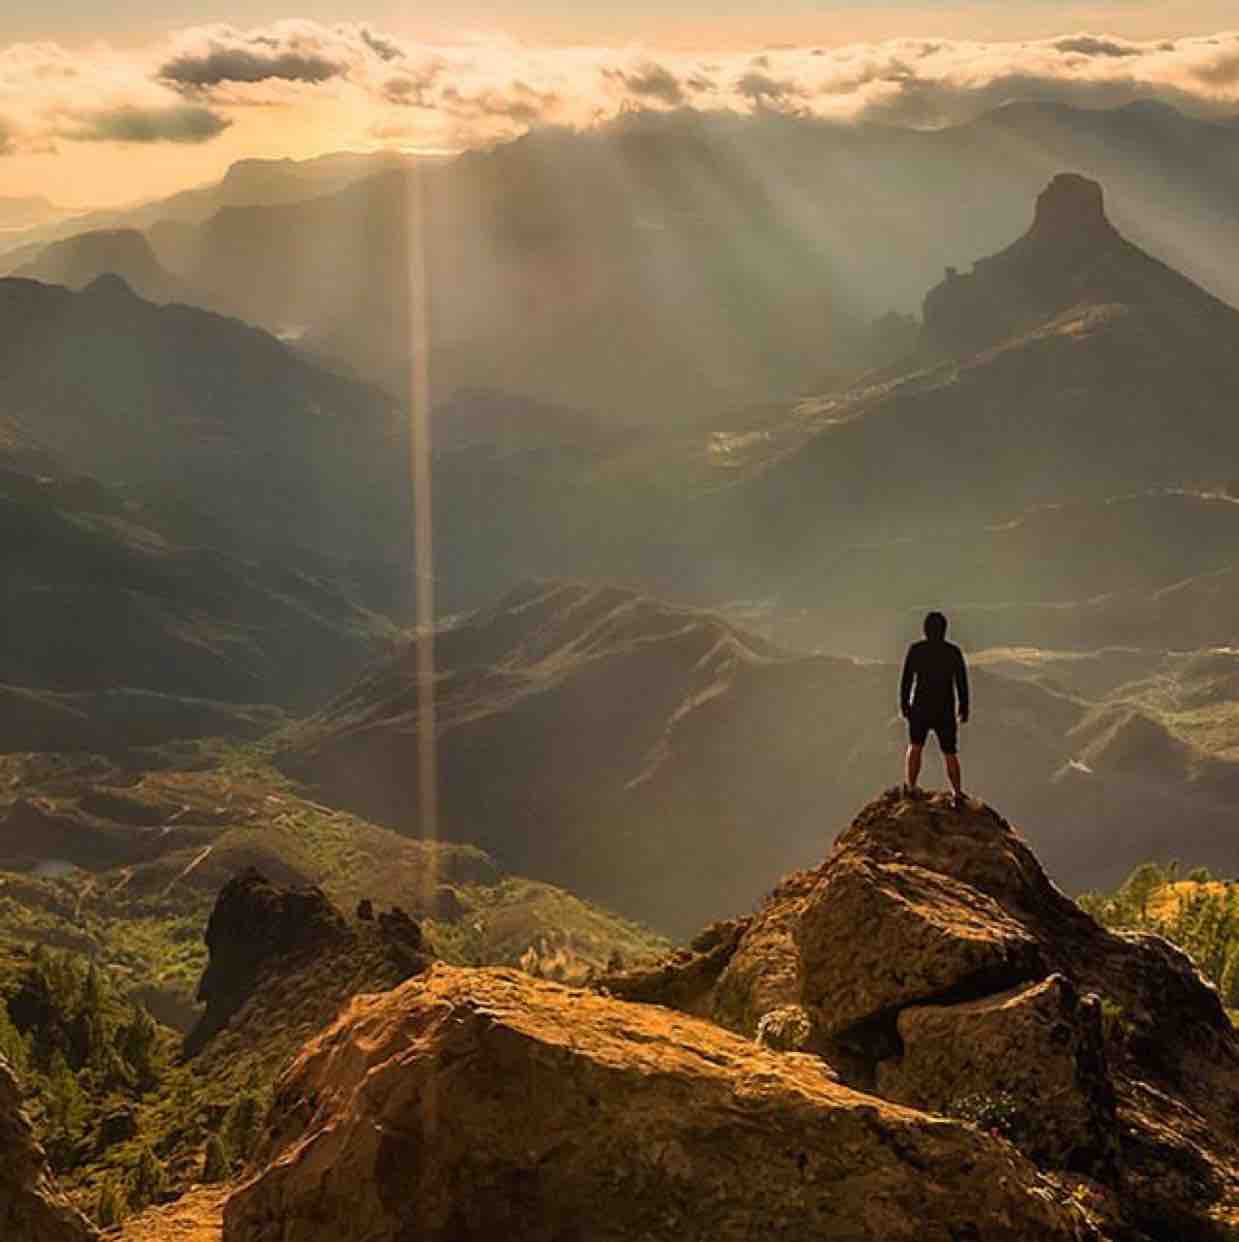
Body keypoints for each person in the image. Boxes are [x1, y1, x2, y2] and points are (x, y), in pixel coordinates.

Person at [900, 611, 970, 800]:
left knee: (915, 746)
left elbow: (906, 679)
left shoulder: (916, 650)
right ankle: (956, 793)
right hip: (944, 710)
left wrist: (904, 704)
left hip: (920, 707)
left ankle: (911, 787)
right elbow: (961, 681)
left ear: (925, 630)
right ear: (944, 630)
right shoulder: (952, 652)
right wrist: (964, 707)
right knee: (950, 752)